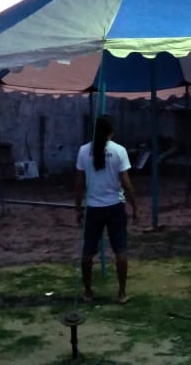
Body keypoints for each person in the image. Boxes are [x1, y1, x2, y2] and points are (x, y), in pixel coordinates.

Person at [74, 115, 139, 304]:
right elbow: (126, 183)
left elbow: (79, 183)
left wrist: (78, 208)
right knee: (120, 250)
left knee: (88, 251)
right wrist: (135, 206)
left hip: (93, 207)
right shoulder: (119, 151)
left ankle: (87, 291)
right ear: (112, 131)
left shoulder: (83, 151)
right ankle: (122, 293)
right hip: (115, 206)